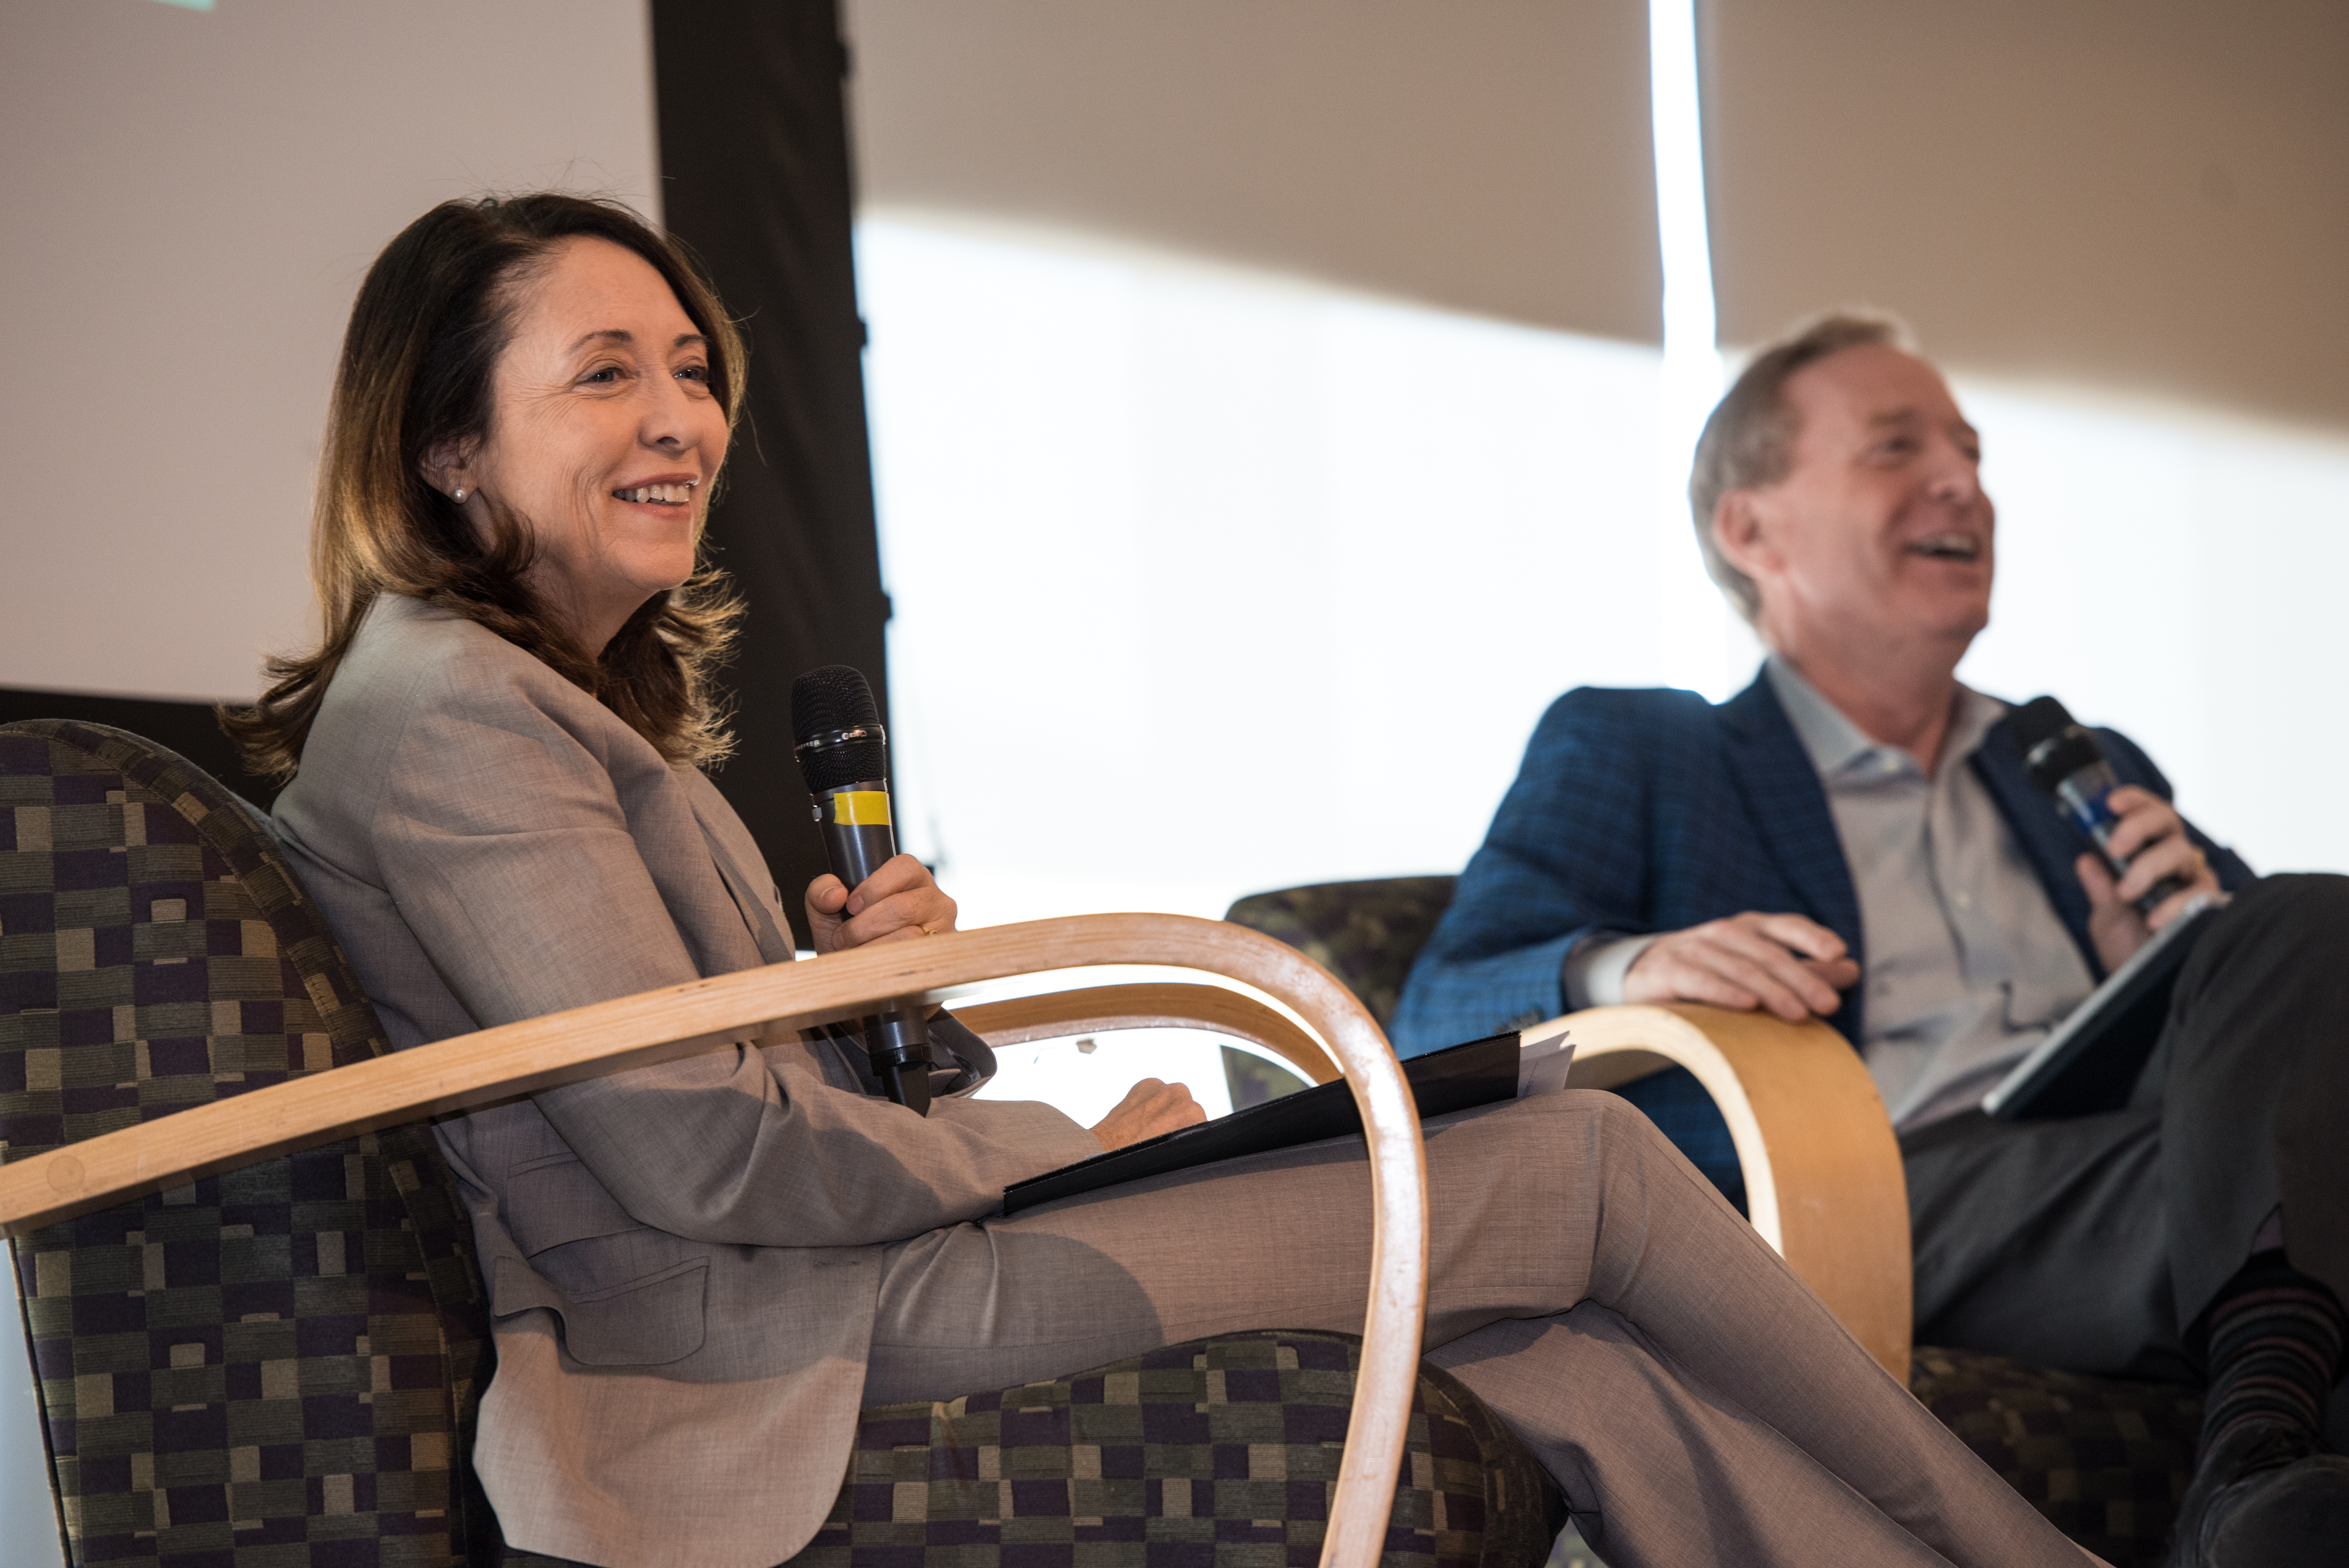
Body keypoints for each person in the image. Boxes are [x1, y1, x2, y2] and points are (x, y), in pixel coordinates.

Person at [237, 198, 2091, 1568]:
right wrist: (1070, 1144)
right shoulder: (459, 715)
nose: (680, 416)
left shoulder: (549, 710)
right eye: (606, 373)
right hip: (746, 1341)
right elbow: (694, 1157)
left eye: (696, 370)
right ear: (449, 451)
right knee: (1588, 1163)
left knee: (1571, 1349)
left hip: (818, 1276)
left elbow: (746, 1110)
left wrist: (887, 1012)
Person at [1394, 310, 2349, 1565]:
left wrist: (2173, 951)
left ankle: (2258, 1490)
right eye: (1898, 448)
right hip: (1873, 1184)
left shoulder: (2088, 766)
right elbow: (1430, 1013)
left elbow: (2297, 1022)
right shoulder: (1646, 747)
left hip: (2142, 1152)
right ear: (1752, 528)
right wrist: (1630, 967)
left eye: (1971, 450)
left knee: (2305, 917)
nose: (1965, 482)